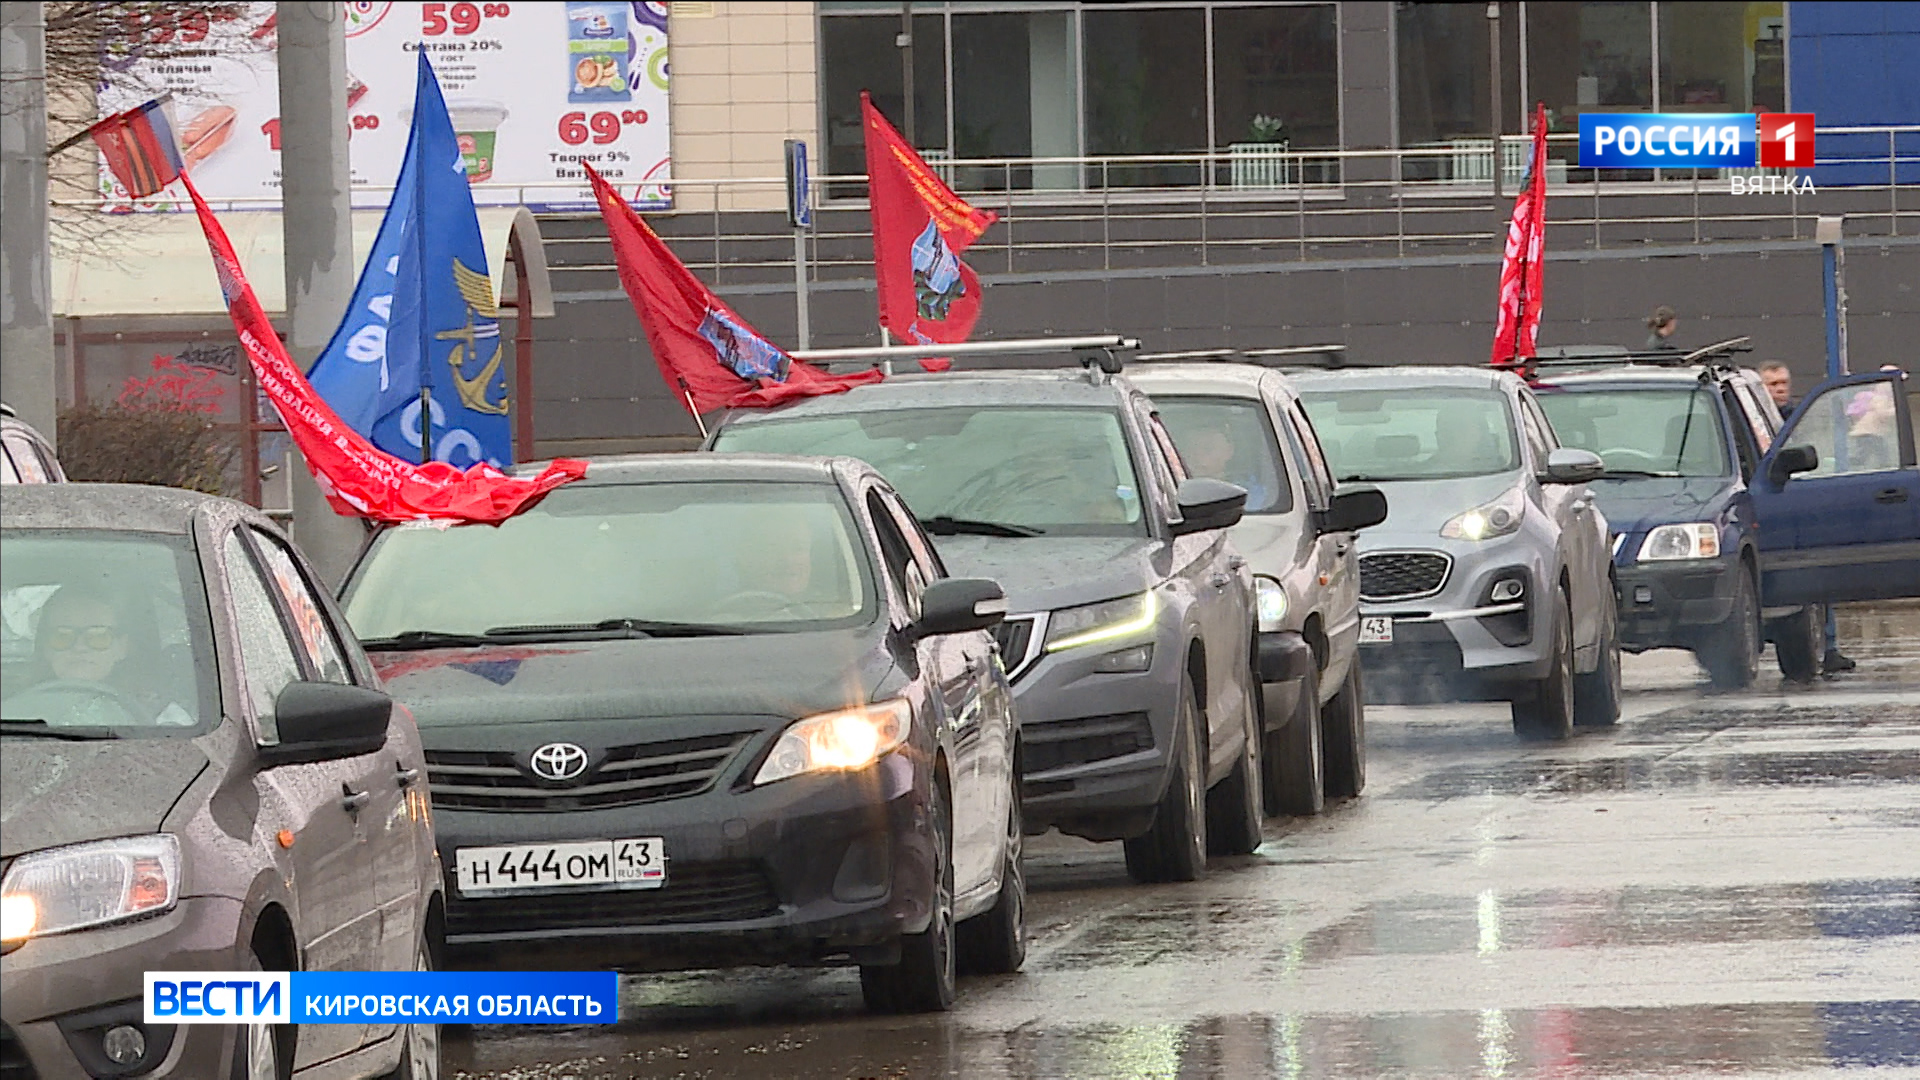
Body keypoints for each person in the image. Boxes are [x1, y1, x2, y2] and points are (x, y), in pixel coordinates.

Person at [5, 585, 192, 726]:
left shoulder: (164, 718)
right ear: (45, 648)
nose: (79, 647)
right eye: (62, 636)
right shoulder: (9, 714)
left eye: (98, 636)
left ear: (122, 647)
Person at [1182, 427, 1272, 510]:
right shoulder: (1174, 493)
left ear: (1229, 450)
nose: (1198, 457)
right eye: (1191, 448)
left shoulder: (1251, 493)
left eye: (1208, 448)